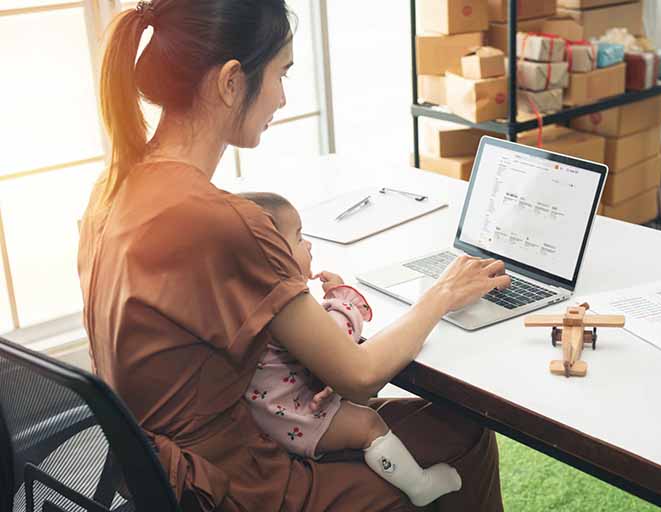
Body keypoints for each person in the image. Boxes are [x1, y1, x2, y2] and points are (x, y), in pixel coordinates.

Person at [78, 1, 511, 510]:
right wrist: (441, 295)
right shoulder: (219, 221)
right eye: (281, 73)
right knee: (467, 437)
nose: (283, 98)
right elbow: (358, 372)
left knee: (389, 420)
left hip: (154, 478)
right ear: (231, 81)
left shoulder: (109, 195)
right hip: (236, 486)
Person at [239, 192, 461, 507]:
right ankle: (420, 484)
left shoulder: (243, 299)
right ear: (272, 257)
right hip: (294, 417)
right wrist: (344, 299)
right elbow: (339, 338)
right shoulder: (280, 303)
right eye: (300, 238)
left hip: (268, 414)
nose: (310, 245)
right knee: (367, 423)